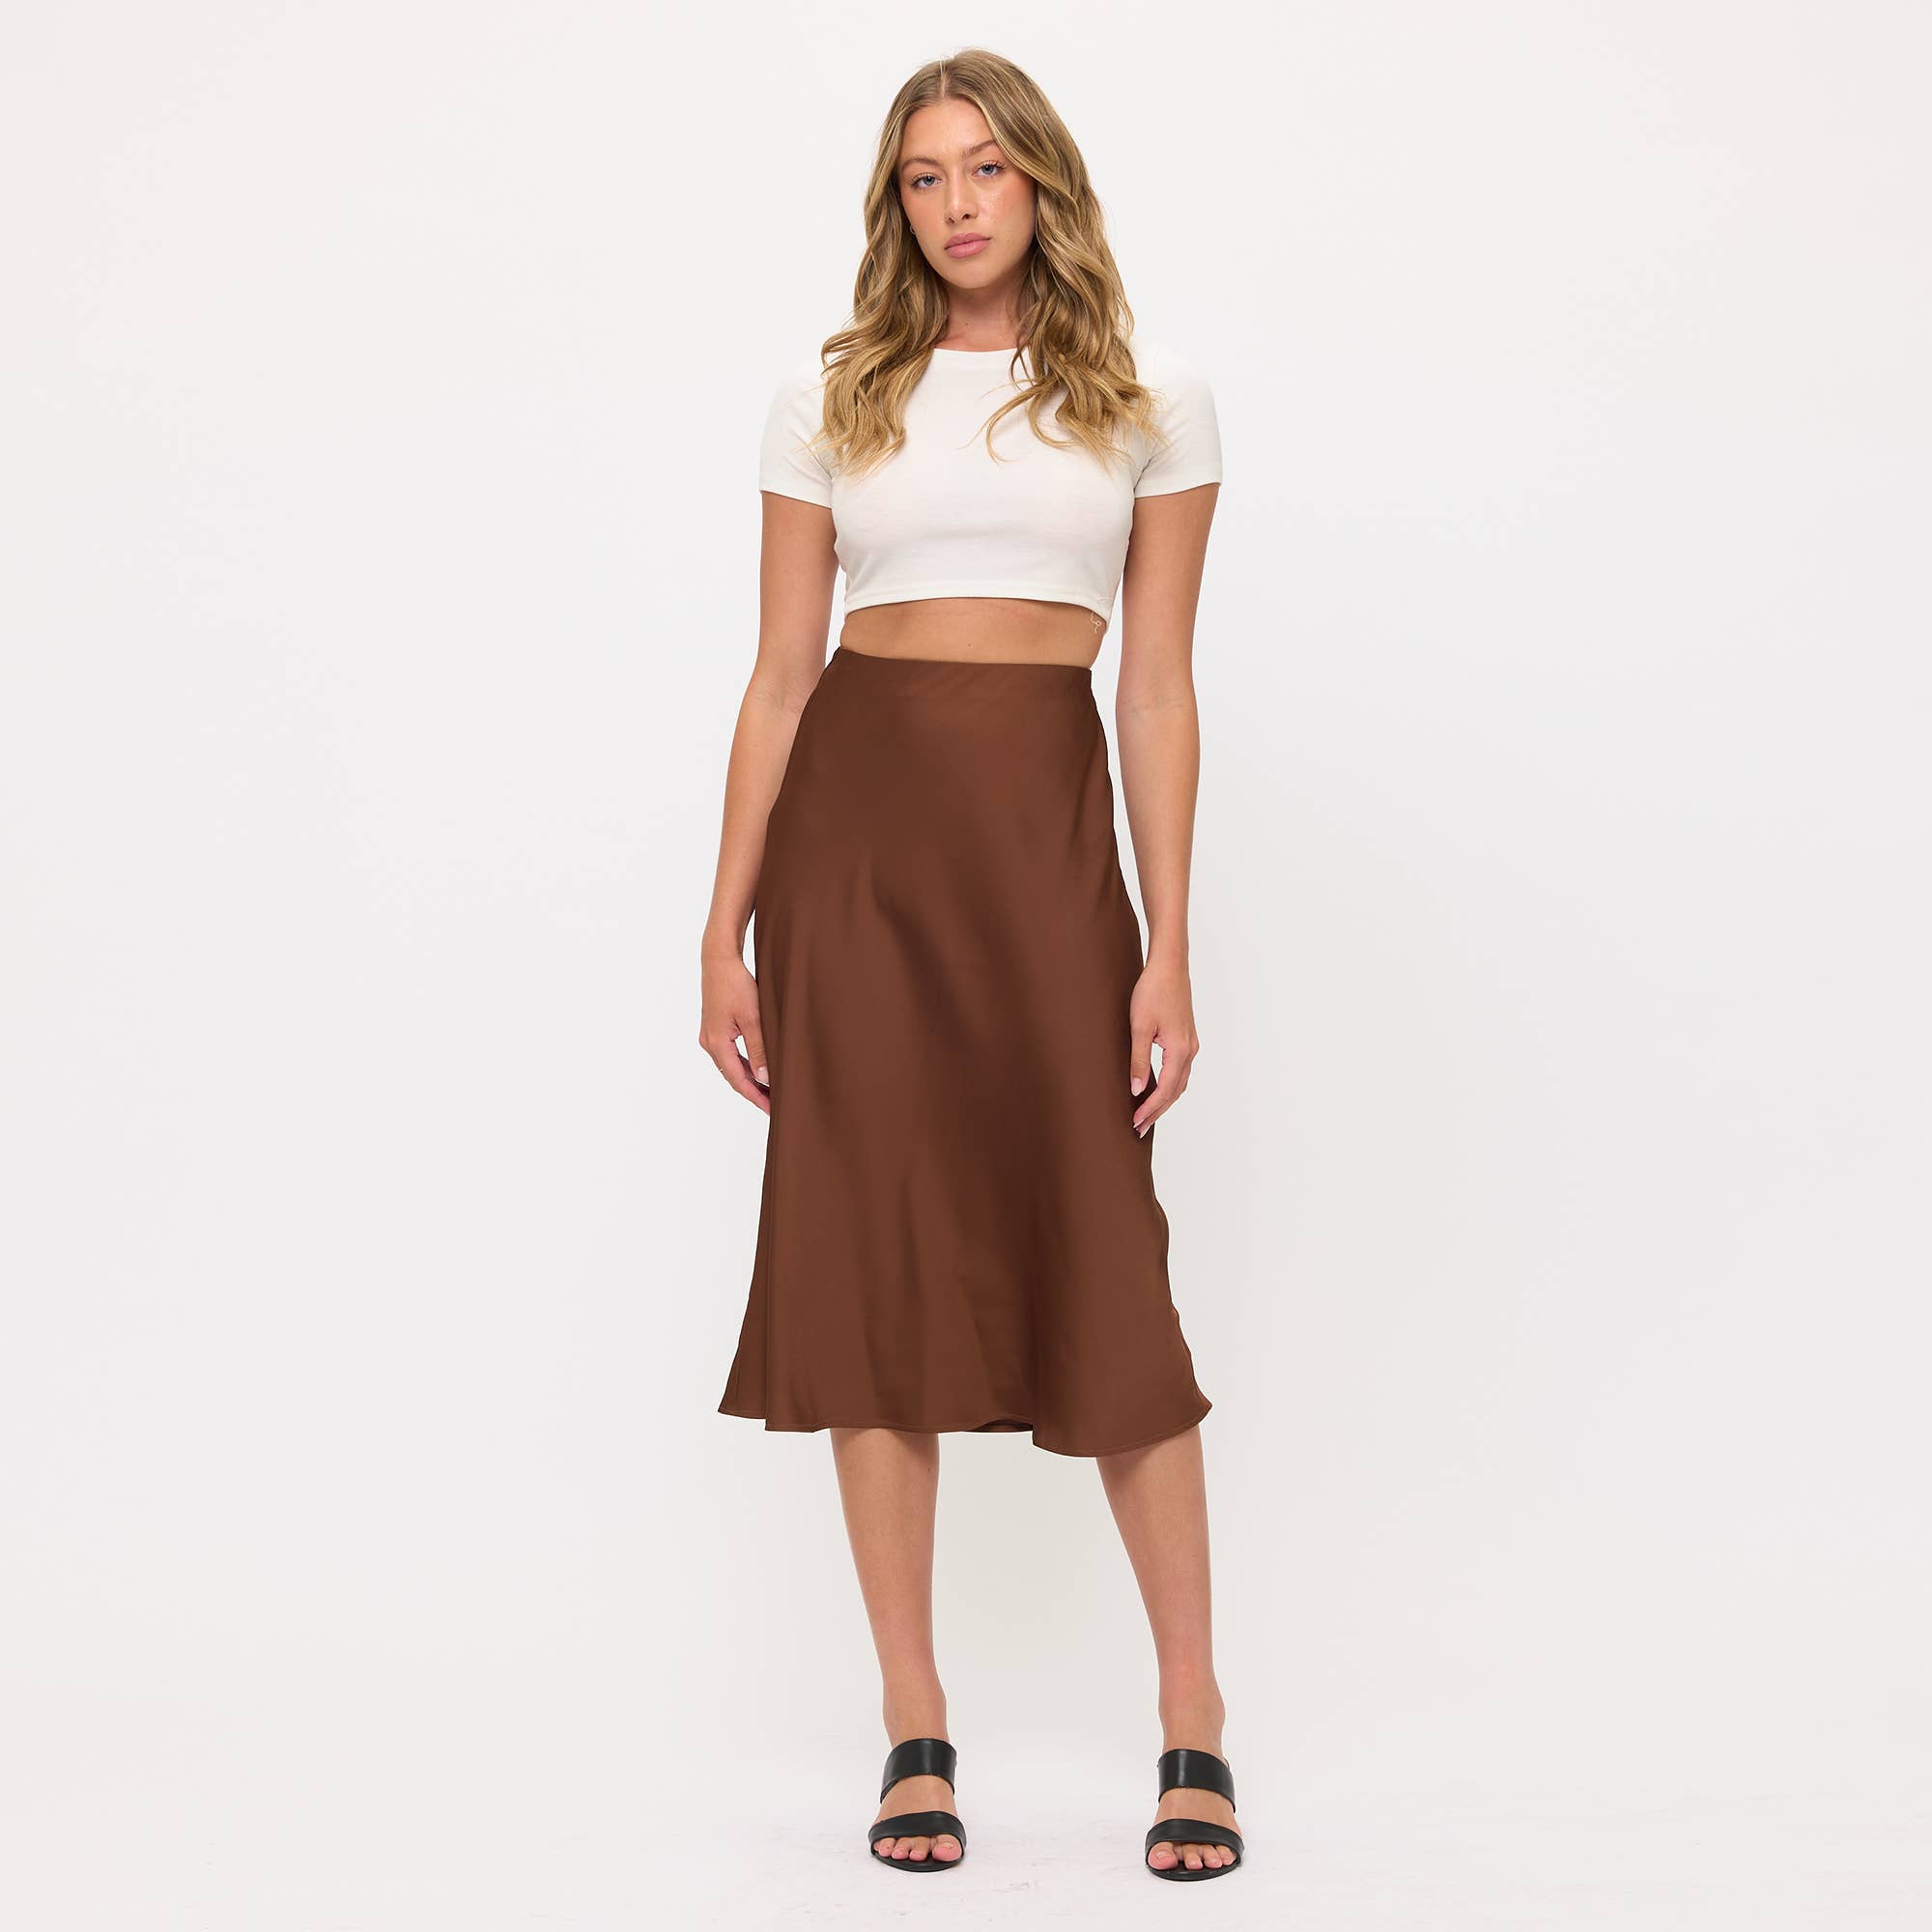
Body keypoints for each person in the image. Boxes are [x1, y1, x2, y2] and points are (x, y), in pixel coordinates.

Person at [697, 48, 1242, 1883]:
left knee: (1104, 1254)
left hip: (1042, 856)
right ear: (896, 204)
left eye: (986, 168)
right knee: (870, 1270)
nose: (956, 204)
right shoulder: (830, 396)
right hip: (855, 861)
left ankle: (1194, 1717)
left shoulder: (1153, 399)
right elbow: (783, 677)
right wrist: (725, 930)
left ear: (1042, 184)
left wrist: (1169, 947)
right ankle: (913, 1724)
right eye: (924, 176)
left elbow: (1153, 691)